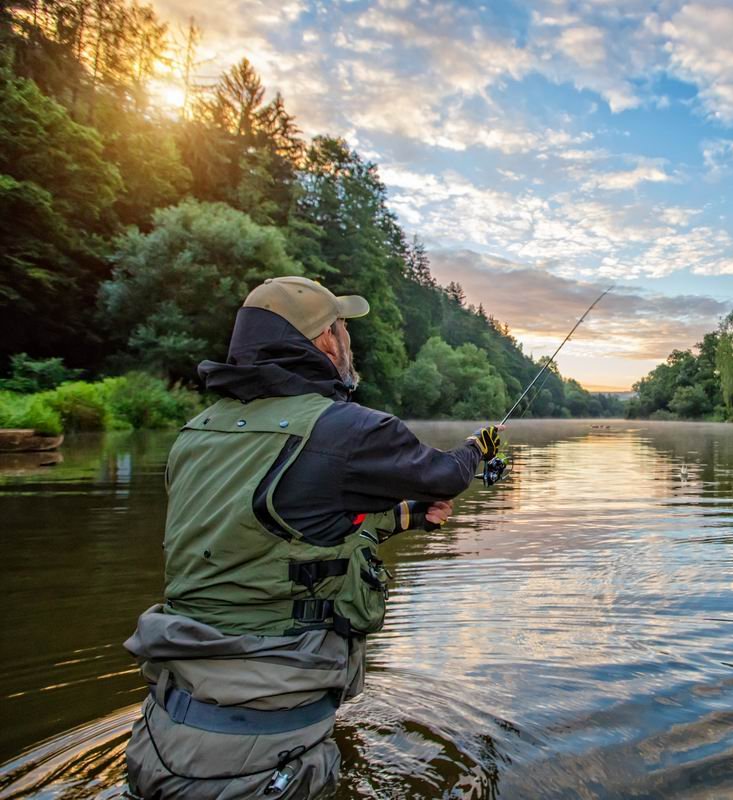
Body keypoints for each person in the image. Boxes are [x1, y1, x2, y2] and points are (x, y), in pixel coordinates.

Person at [123, 276, 503, 799]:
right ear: (325, 339)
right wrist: (474, 449)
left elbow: (277, 528)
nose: (350, 341)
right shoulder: (348, 430)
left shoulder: (197, 434)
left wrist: (408, 516)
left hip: (161, 735)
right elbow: (446, 475)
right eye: (344, 329)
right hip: (260, 762)